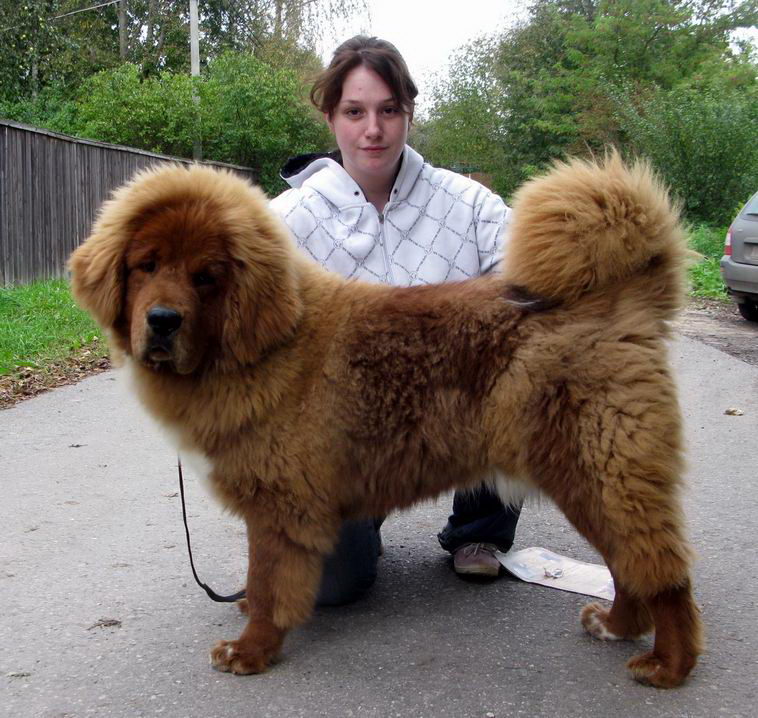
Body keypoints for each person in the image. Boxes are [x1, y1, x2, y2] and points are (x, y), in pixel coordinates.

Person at [269, 35, 522, 606]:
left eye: (388, 110)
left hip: (457, 406)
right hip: (348, 428)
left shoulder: (470, 205)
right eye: (354, 112)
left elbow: (531, 293)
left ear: (409, 111)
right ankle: (363, 523)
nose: (373, 130)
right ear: (330, 117)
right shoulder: (284, 223)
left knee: (519, 361)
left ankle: (479, 528)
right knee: (333, 586)